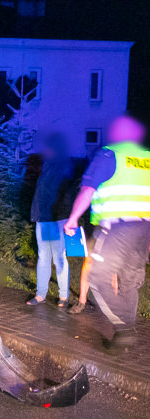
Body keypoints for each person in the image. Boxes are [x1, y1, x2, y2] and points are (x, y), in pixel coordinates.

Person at [64, 115, 150, 352]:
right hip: (143, 230)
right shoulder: (147, 159)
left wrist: (72, 218)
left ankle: (124, 330)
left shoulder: (109, 154)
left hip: (116, 228)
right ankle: (123, 340)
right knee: (130, 284)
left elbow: (88, 189)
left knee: (97, 278)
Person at [27, 132, 73, 307]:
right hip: (42, 218)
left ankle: (63, 296)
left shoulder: (65, 164)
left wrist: (68, 218)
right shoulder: (47, 164)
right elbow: (41, 192)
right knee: (43, 257)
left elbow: (67, 193)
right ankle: (40, 294)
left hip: (57, 219)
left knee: (59, 258)